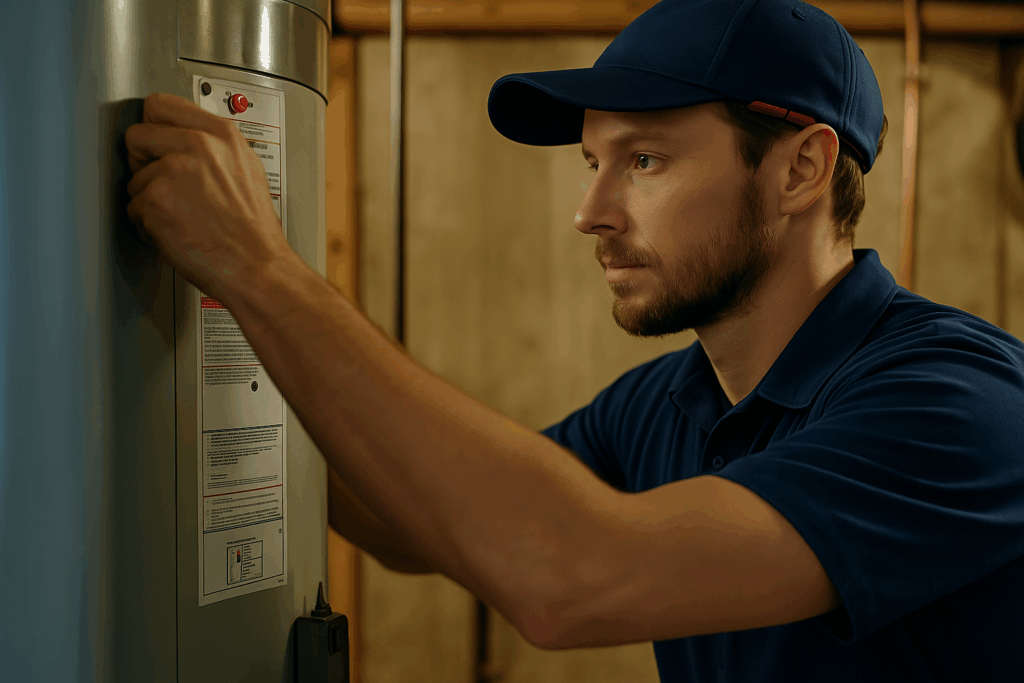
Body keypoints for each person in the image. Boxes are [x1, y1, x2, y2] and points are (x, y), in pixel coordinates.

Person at [124, 0, 1024, 680]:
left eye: (645, 160)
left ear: (802, 168)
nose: (590, 213)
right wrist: (226, 352)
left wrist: (264, 271)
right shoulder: (671, 400)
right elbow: (419, 523)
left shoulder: (962, 401)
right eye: (594, 163)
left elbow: (572, 575)